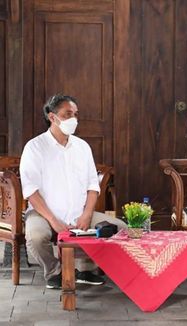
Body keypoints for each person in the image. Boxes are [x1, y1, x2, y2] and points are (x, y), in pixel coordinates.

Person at [20, 94, 127, 289]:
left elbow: (93, 186)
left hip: (79, 212)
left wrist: (86, 214)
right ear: (52, 117)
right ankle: (55, 271)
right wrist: (53, 220)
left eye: (76, 115)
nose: (74, 119)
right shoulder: (34, 147)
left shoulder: (82, 147)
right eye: (68, 114)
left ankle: (86, 269)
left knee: (120, 229)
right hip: (44, 213)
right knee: (35, 237)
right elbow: (31, 191)